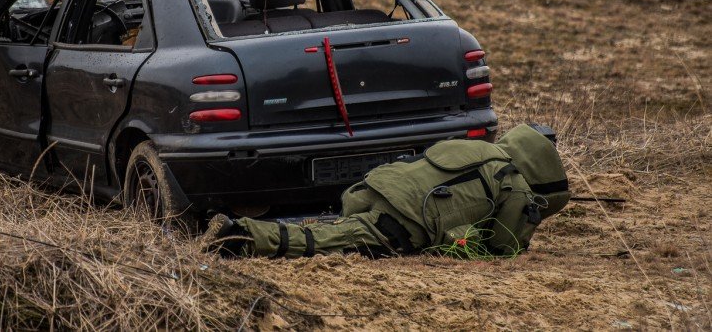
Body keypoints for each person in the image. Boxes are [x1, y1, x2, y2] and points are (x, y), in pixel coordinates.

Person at [202, 124, 569, 258]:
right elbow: (503, 246)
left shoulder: (482, 148)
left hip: (372, 187)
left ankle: (248, 234)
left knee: (333, 226)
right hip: (401, 220)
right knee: (323, 241)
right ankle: (240, 236)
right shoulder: (514, 184)